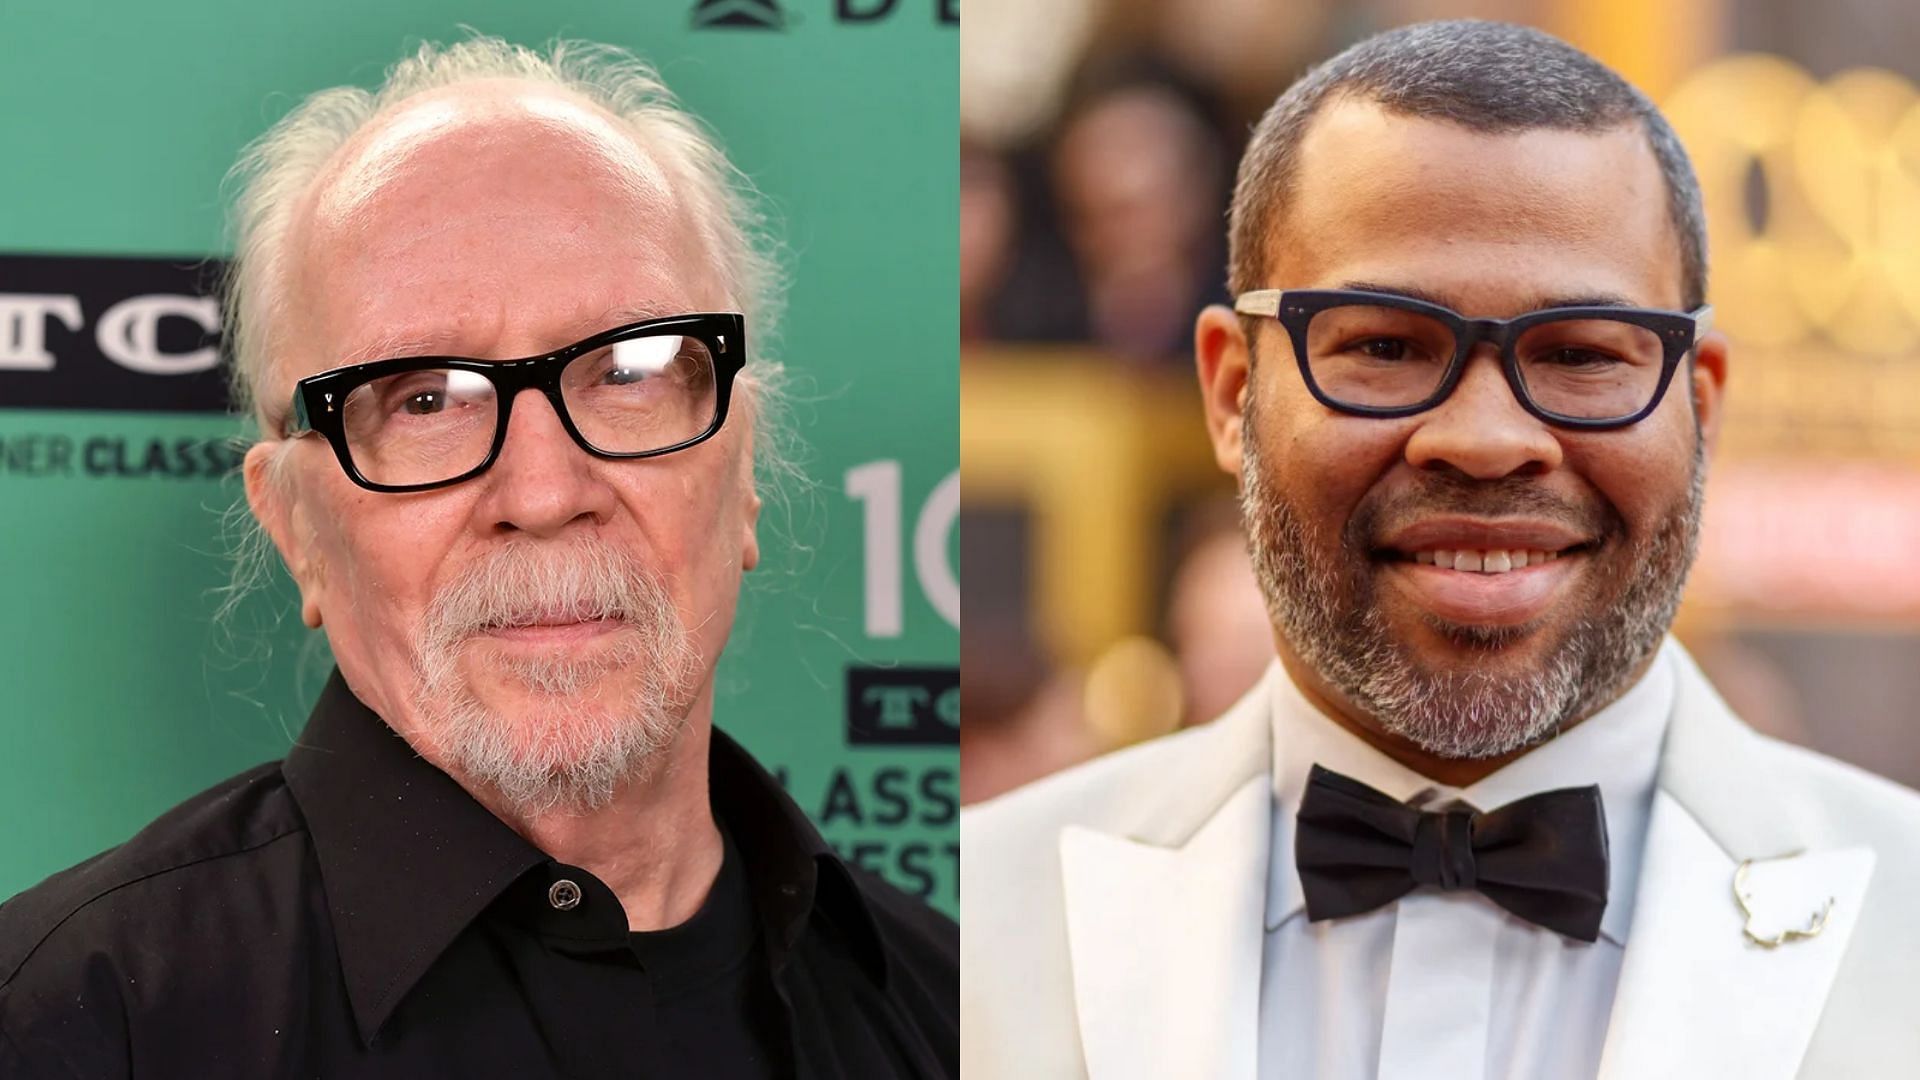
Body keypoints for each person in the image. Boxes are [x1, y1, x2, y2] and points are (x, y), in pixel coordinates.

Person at [961, 20, 1920, 1079]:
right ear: (1233, 392)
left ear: (1702, 407)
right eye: (1383, 346)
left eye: (1582, 355)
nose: (1486, 440)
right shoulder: (970, 929)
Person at [0, 38, 956, 1078]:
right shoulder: (71, 1024)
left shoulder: (960, 1009)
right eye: (424, 401)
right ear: (296, 529)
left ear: (744, 466)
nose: (545, 494)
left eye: (625, 373)